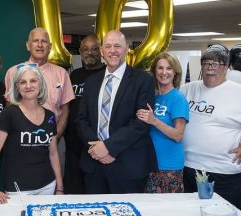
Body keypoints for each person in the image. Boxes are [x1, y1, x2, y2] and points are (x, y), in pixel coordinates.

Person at [76, 30, 157, 194]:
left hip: (128, 166)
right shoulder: (91, 81)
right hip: (94, 165)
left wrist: (108, 147)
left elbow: (141, 123)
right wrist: (97, 149)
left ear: (127, 49)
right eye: (108, 46)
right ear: (102, 51)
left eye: (117, 46)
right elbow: (81, 120)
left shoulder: (143, 80)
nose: (113, 50)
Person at [0, 64, 63, 204]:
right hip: (18, 190)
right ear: (17, 87)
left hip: (48, 186)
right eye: (23, 82)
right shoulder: (9, 114)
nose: (28, 86)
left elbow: (53, 153)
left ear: (40, 84)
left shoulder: (50, 116)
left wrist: (60, 188)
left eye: (33, 81)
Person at [4, 27, 75, 173]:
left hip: (55, 141)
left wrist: (55, 138)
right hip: (22, 142)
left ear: (50, 46)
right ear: (27, 45)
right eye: (35, 41)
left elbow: (65, 110)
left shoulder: (61, 74)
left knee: (55, 184)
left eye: (44, 41)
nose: (40, 45)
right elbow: (10, 109)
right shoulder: (13, 72)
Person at [181, 45, 241, 209]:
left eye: (216, 64)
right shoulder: (188, 89)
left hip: (224, 172)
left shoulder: (237, 92)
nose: (209, 68)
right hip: (188, 168)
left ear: (227, 67)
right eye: (206, 63)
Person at [136, 52, 189, 193]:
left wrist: (154, 121)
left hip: (168, 166)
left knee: (167, 212)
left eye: (169, 68)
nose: (164, 72)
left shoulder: (178, 98)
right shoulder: (153, 96)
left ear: (175, 72)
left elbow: (178, 135)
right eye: (160, 68)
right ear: (154, 71)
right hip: (149, 163)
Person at [64, 35, 105, 194]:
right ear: (80, 52)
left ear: (101, 51)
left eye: (94, 49)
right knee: (74, 189)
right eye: (86, 49)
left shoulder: (106, 74)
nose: (90, 53)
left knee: (93, 190)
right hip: (73, 143)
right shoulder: (74, 75)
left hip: (95, 144)